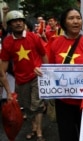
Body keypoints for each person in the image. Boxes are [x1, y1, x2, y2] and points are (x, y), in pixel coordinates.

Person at [40, 8, 83, 141]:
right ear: (64, 22)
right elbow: (50, 69)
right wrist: (41, 72)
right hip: (63, 101)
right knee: (66, 135)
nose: (76, 21)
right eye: (71, 18)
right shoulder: (55, 43)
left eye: (78, 18)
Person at [0, 10, 48, 141]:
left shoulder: (34, 37)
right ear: (10, 25)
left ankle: (39, 132)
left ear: (24, 22)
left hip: (36, 76)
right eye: (14, 21)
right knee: (27, 107)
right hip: (20, 79)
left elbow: (44, 55)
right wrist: (8, 92)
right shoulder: (7, 42)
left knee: (36, 105)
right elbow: (2, 70)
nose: (18, 23)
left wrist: (47, 72)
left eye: (20, 20)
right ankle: (33, 128)